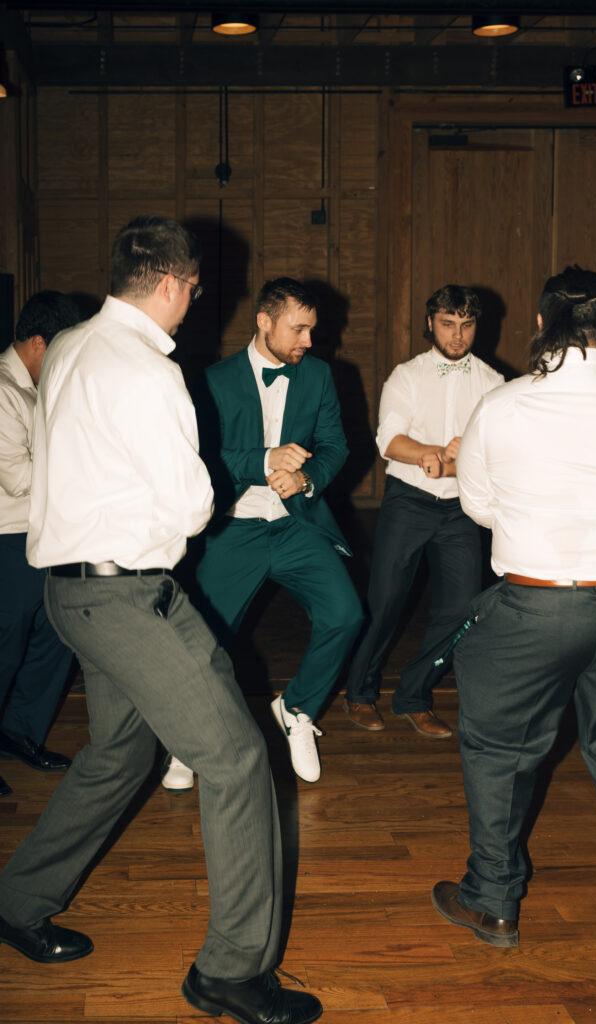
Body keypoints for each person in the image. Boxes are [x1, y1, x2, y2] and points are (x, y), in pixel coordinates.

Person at [0, 217, 322, 1024]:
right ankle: (230, 972)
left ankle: (15, 898)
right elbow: (192, 505)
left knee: (119, 751)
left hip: (70, 593)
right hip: (127, 596)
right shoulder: (147, 369)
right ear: (177, 285)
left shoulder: (69, 344)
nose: (189, 311)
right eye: (193, 295)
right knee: (240, 760)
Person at [432, 266, 596, 960]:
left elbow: (476, 506)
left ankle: (493, 903)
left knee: (499, 751)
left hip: (534, 605)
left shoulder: (503, 406)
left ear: (539, 326)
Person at [176, 277, 362, 788]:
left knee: (346, 614)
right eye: (298, 329)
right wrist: (264, 461)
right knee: (205, 643)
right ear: (264, 322)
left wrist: (305, 477)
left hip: (293, 523)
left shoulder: (320, 375)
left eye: (311, 330)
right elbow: (203, 457)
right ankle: (187, 741)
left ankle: (296, 708)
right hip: (232, 526)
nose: (308, 340)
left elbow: (334, 446)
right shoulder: (212, 380)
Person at [343, 285, 504, 737]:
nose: (458, 335)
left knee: (461, 609)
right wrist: (434, 452)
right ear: (430, 322)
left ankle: (413, 695)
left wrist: (457, 459)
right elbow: (390, 441)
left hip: (461, 509)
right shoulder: (406, 376)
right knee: (386, 602)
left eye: (467, 325)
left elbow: (495, 452)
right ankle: (359, 693)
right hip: (408, 502)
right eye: (449, 324)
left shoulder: (494, 385)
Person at [0, 291, 80, 798]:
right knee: (5, 644)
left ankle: (19, 733)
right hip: (7, 536)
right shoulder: (3, 389)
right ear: (37, 342)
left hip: (49, 532)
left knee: (57, 632)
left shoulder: (43, 383)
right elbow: (14, 477)